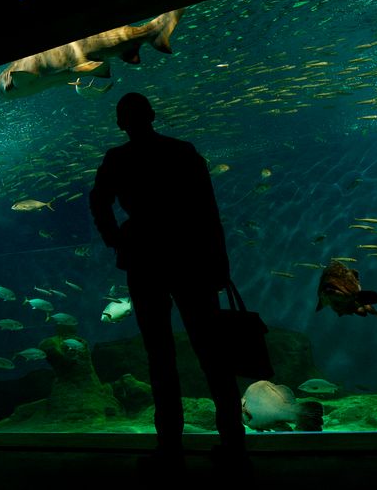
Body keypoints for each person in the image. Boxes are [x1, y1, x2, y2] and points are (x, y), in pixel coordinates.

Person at [89, 92, 249, 472]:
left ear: (120, 123)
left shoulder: (117, 159)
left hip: (144, 259)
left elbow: (98, 202)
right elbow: (208, 210)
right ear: (153, 115)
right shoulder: (182, 151)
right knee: (212, 351)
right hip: (191, 255)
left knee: (159, 355)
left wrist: (116, 238)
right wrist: (219, 260)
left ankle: (169, 448)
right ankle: (233, 442)